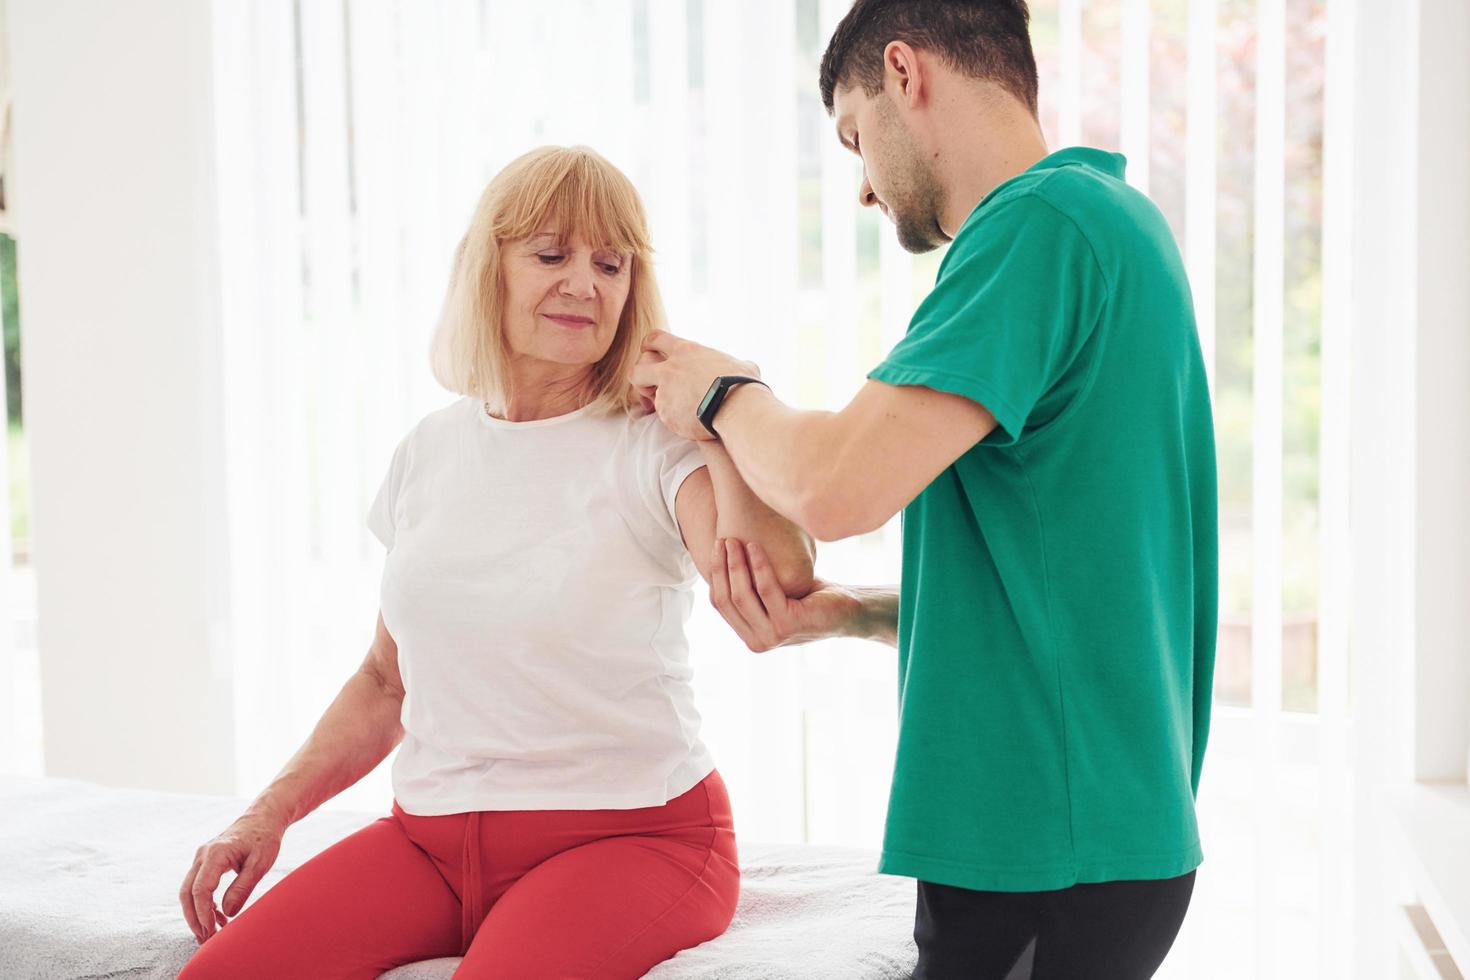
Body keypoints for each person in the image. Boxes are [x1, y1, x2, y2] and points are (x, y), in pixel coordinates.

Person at [632, 1, 1218, 977]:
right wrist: (855, 615)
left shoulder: (1036, 229)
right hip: (1095, 837)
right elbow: (1076, 586)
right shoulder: (1119, 223)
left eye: (857, 136)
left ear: (905, 72)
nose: (864, 187)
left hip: (1044, 844)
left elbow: (832, 487)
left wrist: (721, 391)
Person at [176, 145, 815, 980]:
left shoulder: (656, 450)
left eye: (609, 263)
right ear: (491, 270)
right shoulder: (430, 450)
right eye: (551, 255)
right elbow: (384, 682)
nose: (584, 284)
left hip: (636, 837)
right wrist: (264, 817)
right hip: (430, 843)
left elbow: (780, 585)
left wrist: (721, 416)